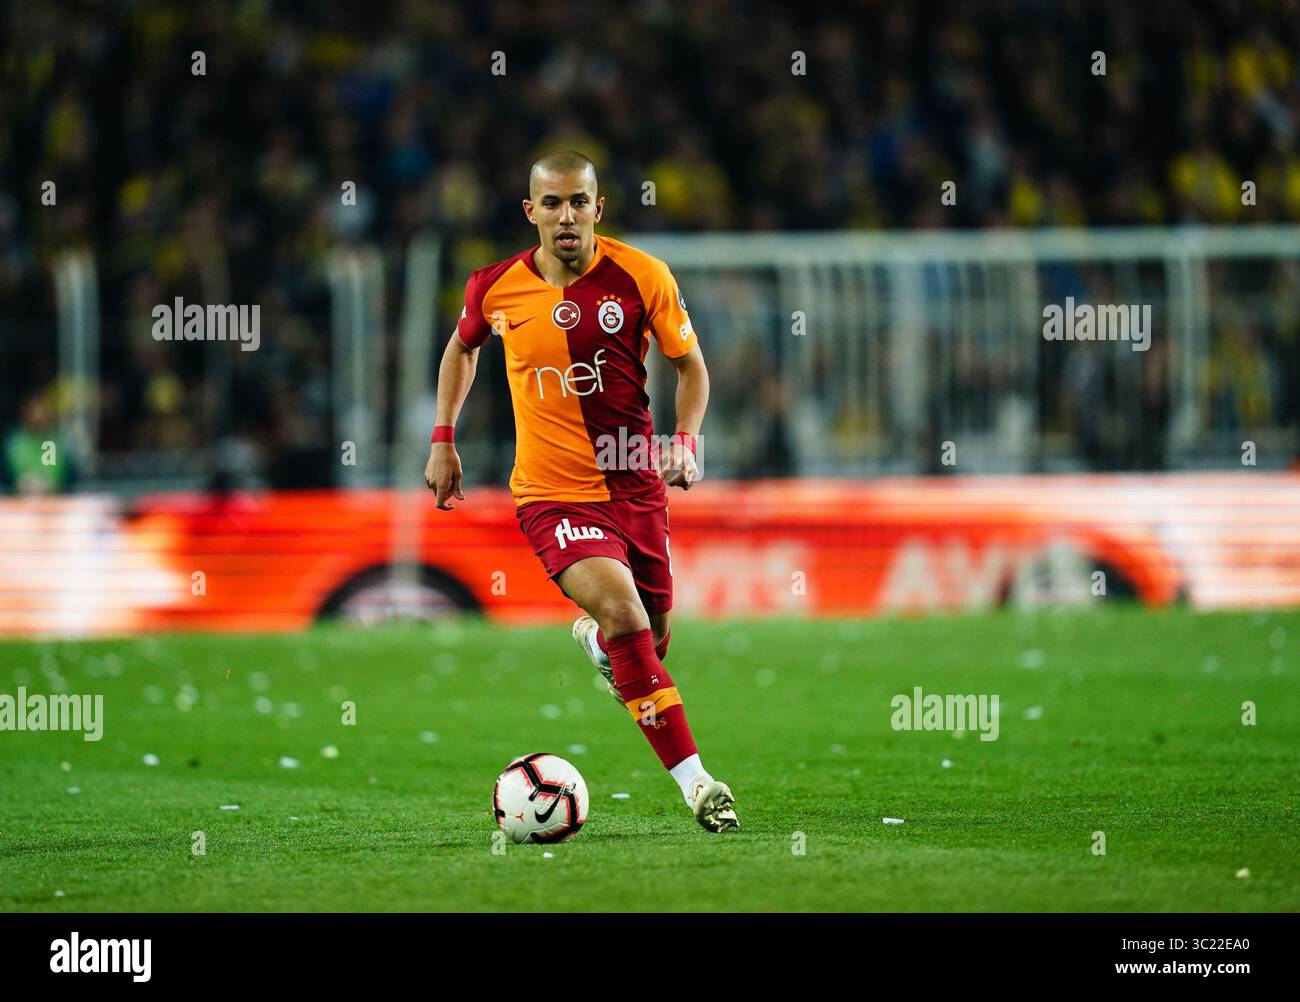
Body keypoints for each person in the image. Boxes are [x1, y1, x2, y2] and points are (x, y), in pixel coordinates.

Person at [423, 150, 737, 832]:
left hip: (636, 488)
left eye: (578, 202)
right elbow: (462, 348)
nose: (566, 216)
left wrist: (685, 441)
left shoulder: (642, 276)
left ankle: (602, 647)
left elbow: (692, 369)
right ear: (530, 211)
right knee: (628, 619)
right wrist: (443, 437)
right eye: (553, 203)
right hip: (552, 495)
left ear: (599, 208)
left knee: (650, 636)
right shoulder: (494, 287)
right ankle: (698, 784)